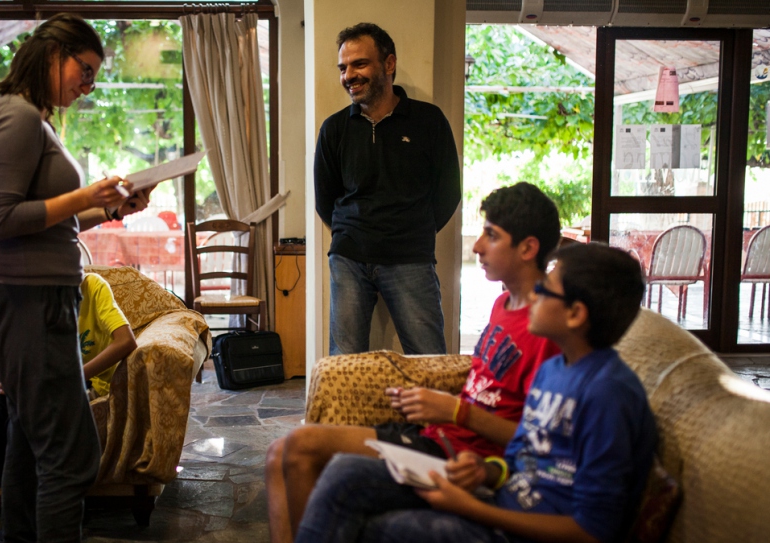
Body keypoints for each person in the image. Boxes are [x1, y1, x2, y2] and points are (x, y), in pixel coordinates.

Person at [294, 242, 657, 543]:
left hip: (512, 529)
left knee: (377, 523)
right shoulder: (553, 371)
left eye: (547, 289)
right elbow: (517, 460)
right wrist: (484, 471)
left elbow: (593, 530)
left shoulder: (610, 395)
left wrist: (471, 508)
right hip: (499, 506)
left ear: (576, 314)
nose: (535, 293)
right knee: (345, 475)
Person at [265, 183, 562, 543]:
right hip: (435, 437)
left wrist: (455, 412)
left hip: (465, 459)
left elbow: (536, 441)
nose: (477, 246)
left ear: (528, 248)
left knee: (300, 450)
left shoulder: (550, 330)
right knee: (279, 453)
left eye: (491, 235)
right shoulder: (503, 306)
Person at [0, 13, 151, 542]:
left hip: (39, 300)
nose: (88, 84)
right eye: (85, 70)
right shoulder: (18, 118)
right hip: (25, 303)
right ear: (54, 54)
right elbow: (2, 219)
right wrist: (85, 194)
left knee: (31, 442)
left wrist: (114, 210)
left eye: (95, 75)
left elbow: (53, 220)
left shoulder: (34, 120)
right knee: (72, 457)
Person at [314, 22, 461, 356]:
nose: (348, 75)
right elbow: (326, 198)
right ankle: (348, 412)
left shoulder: (429, 121)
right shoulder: (334, 128)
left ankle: (432, 412)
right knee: (345, 365)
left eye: (359, 64)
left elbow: (448, 191)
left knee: (429, 360)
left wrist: (412, 229)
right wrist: (350, 232)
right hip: (349, 258)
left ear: (389, 64)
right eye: (343, 67)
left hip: (411, 258)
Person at [0, 272, 138, 490]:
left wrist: (71, 377)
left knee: (30, 415)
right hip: (39, 379)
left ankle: (37, 498)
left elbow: (126, 341)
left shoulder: (93, 286)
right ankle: (2, 500)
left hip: (83, 380)